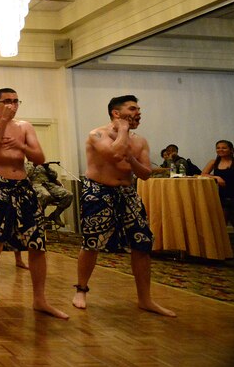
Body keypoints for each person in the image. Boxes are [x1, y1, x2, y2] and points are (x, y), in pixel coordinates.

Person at [73, 94, 175, 317]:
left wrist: (133, 159)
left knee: (142, 243)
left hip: (128, 192)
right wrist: (122, 131)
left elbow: (146, 173)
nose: (138, 112)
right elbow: (113, 152)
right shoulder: (96, 134)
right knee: (92, 242)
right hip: (98, 190)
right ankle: (81, 290)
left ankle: (145, 299)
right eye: (132, 109)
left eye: (139, 109)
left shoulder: (140, 141)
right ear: (116, 113)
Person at [0, 88, 67, 321]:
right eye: (7, 101)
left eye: (16, 101)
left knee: (37, 243)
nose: (12, 105)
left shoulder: (25, 127)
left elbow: (38, 157)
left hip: (23, 186)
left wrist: (21, 147)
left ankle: (40, 300)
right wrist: (3, 124)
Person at [201, 140, 234, 250]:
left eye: (224, 148)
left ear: (231, 150)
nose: (220, 150)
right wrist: (216, 177)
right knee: (220, 226)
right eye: (218, 148)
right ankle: (221, 250)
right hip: (220, 198)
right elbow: (203, 174)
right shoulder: (214, 162)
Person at [25, 161, 73, 227]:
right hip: (36, 185)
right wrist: (34, 165)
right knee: (45, 195)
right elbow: (26, 175)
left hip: (49, 185)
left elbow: (54, 176)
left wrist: (47, 168)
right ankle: (39, 217)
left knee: (68, 195)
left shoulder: (42, 165)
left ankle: (56, 215)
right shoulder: (26, 165)